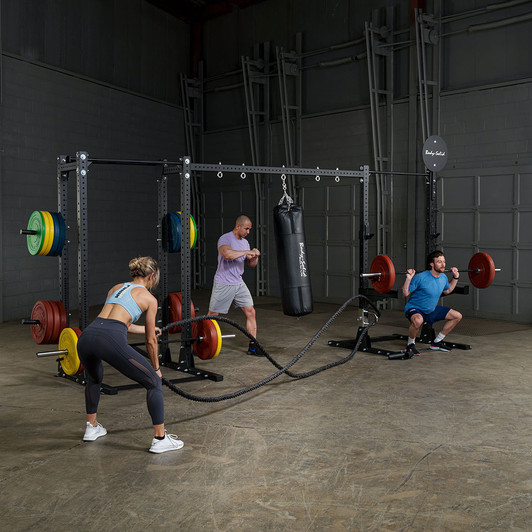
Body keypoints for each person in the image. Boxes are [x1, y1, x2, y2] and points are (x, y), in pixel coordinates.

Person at [77, 256, 184, 453]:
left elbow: (119, 322)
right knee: (153, 382)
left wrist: (147, 329)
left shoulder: (116, 287)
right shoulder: (149, 299)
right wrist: (156, 369)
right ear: (151, 276)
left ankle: (91, 428)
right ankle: (160, 439)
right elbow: (151, 341)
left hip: (86, 337)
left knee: (93, 378)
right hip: (109, 339)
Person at [208, 214, 262, 356]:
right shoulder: (225, 238)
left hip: (238, 282)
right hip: (224, 282)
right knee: (212, 316)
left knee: (251, 311)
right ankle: (203, 343)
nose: (248, 232)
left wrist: (255, 257)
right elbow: (227, 254)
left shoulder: (245, 243)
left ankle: (253, 346)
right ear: (238, 226)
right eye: (246, 229)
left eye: (250, 229)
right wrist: (247, 252)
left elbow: (251, 265)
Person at [402, 250, 463, 356]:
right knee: (417, 321)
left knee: (457, 316)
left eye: (444, 261)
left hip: (431, 309)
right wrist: (408, 279)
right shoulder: (420, 277)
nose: (443, 264)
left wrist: (455, 277)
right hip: (415, 308)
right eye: (439, 262)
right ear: (432, 264)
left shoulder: (443, 277)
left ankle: (437, 342)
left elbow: (447, 291)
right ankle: (410, 345)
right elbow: (405, 293)